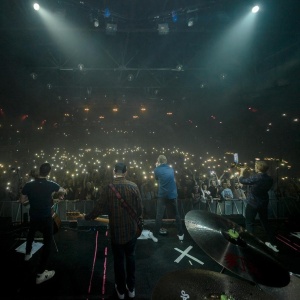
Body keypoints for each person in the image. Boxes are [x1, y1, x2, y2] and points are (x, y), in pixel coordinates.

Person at [79, 162, 143, 300]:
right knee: (131, 258)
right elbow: (140, 210)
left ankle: (120, 291)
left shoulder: (108, 188)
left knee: (119, 261)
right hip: (131, 231)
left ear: (114, 171)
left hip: (116, 232)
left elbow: (98, 208)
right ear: (125, 172)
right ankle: (131, 288)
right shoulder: (134, 186)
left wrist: (87, 217)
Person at [20, 163, 66, 284]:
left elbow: (22, 200)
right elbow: (63, 191)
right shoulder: (51, 184)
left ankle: (27, 254)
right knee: (47, 242)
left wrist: (34, 198)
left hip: (34, 216)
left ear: (39, 171)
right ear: (49, 172)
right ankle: (40, 273)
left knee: (31, 233)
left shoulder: (28, 185)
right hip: (46, 218)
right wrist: (60, 195)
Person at [239, 161, 279, 252]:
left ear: (258, 168)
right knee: (265, 223)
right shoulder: (269, 179)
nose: (255, 167)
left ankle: (251, 244)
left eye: (256, 166)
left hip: (253, 203)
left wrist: (241, 172)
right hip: (263, 203)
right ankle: (273, 243)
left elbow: (242, 181)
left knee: (249, 223)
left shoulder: (257, 177)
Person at [151, 155, 184, 242]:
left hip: (162, 195)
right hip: (172, 195)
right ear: (166, 161)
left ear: (158, 161)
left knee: (159, 216)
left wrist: (156, 167)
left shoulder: (156, 169)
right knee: (176, 214)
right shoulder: (171, 169)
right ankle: (181, 234)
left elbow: (156, 179)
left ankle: (155, 236)